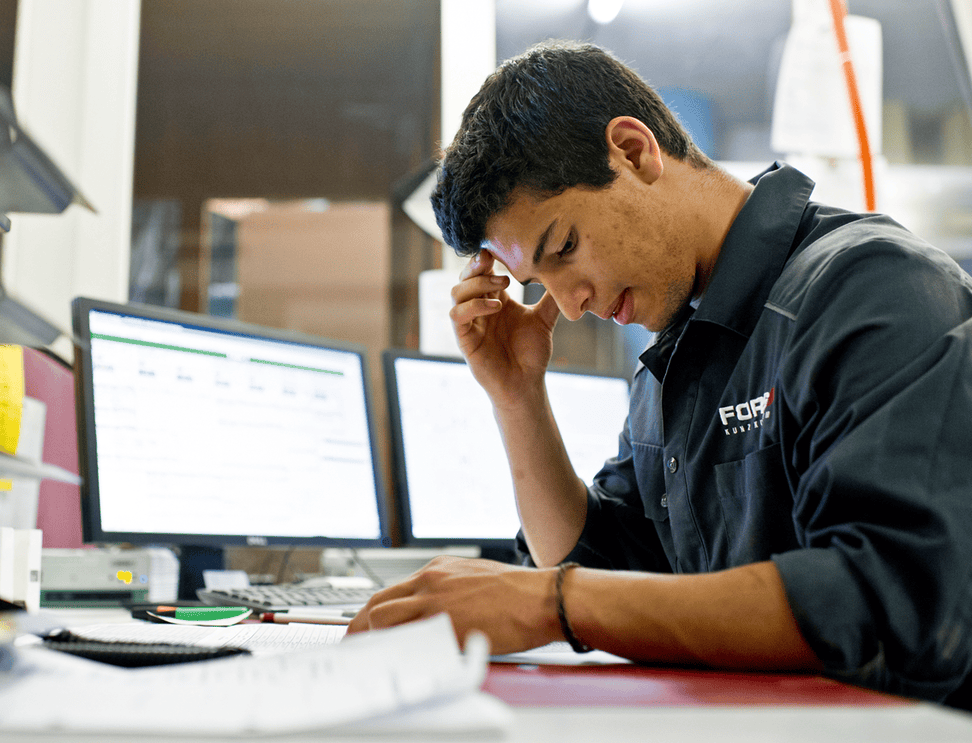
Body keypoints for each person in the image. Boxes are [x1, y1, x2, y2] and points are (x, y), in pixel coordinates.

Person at [346, 41, 972, 708]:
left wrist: (549, 601)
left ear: (634, 152)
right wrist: (517, 396)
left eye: (564, 247)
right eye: (539, 280)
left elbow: (895, 598)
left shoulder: (872, 289)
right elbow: (597, 569)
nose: (570, 305)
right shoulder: (672, 361)